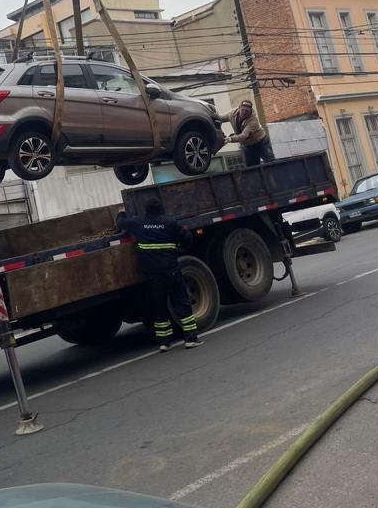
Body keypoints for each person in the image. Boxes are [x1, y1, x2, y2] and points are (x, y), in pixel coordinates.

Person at [116, 197, 202, 352]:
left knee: (158, 305)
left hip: (152, 274)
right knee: (181, 301)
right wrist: (181, 248)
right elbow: (187, 237)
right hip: (171, 270)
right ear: (160, 209)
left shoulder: (138, 222)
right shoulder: (170, 223)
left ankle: (164, 342)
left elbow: (121, 224)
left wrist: (121, 213)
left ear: (146, 210)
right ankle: (190, 338)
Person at [221, 99, 274, 167]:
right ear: (239, 108)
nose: (244, 112)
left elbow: (244, 135)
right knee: (251, 168)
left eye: (247, 111)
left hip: (261, 143)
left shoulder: (253, 120)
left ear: (250, 111)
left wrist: (230, 139)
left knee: (271, 163)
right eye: (242, 110)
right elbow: (220, 118)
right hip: (248, 146)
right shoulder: (232, 114)